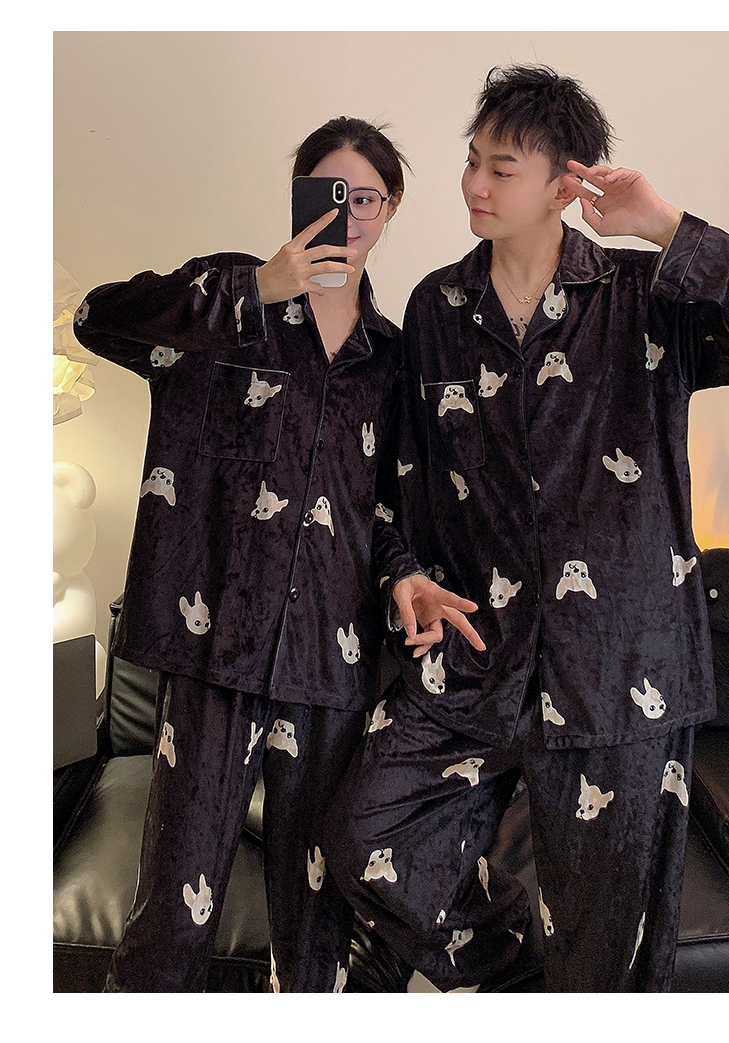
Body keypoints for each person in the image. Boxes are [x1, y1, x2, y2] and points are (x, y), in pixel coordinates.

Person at [325, 65, 729, 993]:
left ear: (565, 184)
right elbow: (399, 478)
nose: (475, 185)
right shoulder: (437, 309)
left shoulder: (647, 296)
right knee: (365, 833)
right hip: (478, 656)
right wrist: (401, 571)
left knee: (608, 949)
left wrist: (665, 226)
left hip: (623, 668)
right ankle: (516, 985)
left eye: (502, 169)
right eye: (472, 162)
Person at [75, 116, 465, 993]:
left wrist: (404, 571)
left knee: (314, 921)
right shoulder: (224, 301)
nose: (348, 215)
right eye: (330, 195)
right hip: (213, 651)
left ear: (392, 208)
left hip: (330, 660)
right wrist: (256, 286)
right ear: (299, 199)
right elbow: (98, 319)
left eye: (367, 198)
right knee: (173, 911)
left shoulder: (390, 361)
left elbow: (388, 507)